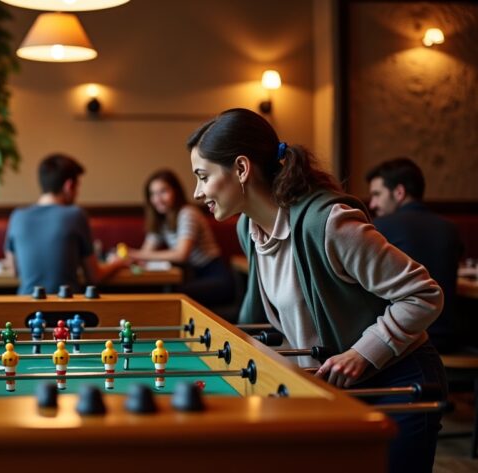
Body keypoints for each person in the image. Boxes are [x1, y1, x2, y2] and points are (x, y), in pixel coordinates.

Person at [187, 108, 445, 473]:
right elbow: (260, 323)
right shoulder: (249, 229)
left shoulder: (330, 223)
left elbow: (424, 293)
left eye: (203, 176)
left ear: (242, 169)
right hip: (335, 391)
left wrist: (361, 353)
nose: (197, 192)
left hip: (398, 382)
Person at [366, 158, 464, 353]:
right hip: (448, 339)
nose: (372, 204)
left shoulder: (379, 228)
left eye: (377, 194)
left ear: (399, 192)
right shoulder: (450, 229)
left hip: (401, 341)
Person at [4, 153, 128, 295]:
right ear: (69, 186)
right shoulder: (75, 214)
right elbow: (94, 276)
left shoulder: (17, 216)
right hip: (66, 309)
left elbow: (14, 271)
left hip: (25, 309)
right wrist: (118, 263)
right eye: (78, 187)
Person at [127, 169, 235, 311]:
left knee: (171, 295)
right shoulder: (162, 220)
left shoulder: (188, 212)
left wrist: (135, 254)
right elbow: (146, 251)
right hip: (193, 276)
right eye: (153, 194)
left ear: (176, 191)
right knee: (159, 292)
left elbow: (181, 254)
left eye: (163, 191)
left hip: (214, 276)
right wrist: (129, 259)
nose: (157, 199)